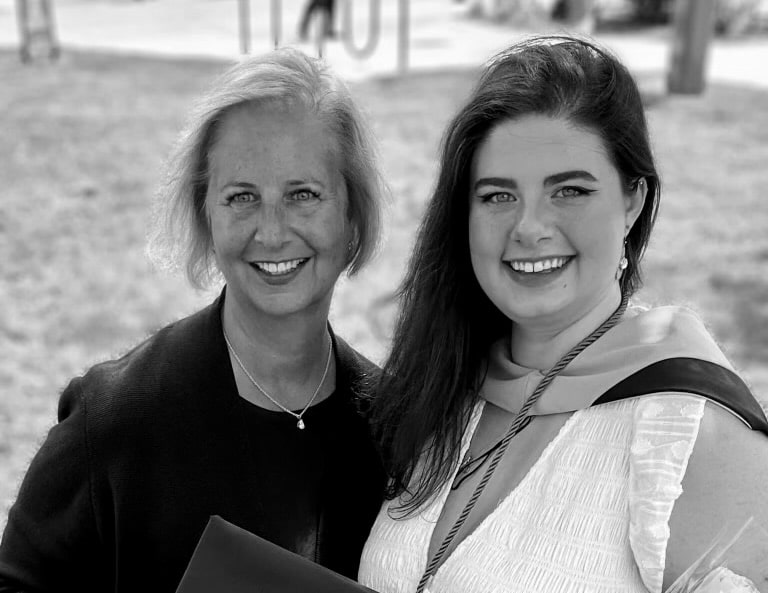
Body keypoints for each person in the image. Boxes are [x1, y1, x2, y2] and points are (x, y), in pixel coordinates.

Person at [358, 36, 768, 593]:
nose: (529, 227)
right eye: (498, 196)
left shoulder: (686, 434)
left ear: (632, 201)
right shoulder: (441, 393)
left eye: (569, 190)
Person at [0, 48, 387, 592]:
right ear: (204, 213)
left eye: (303, 194)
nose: (272, 232)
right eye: (241, 197)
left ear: (352, 213)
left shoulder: (398, 428)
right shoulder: (115, 422)